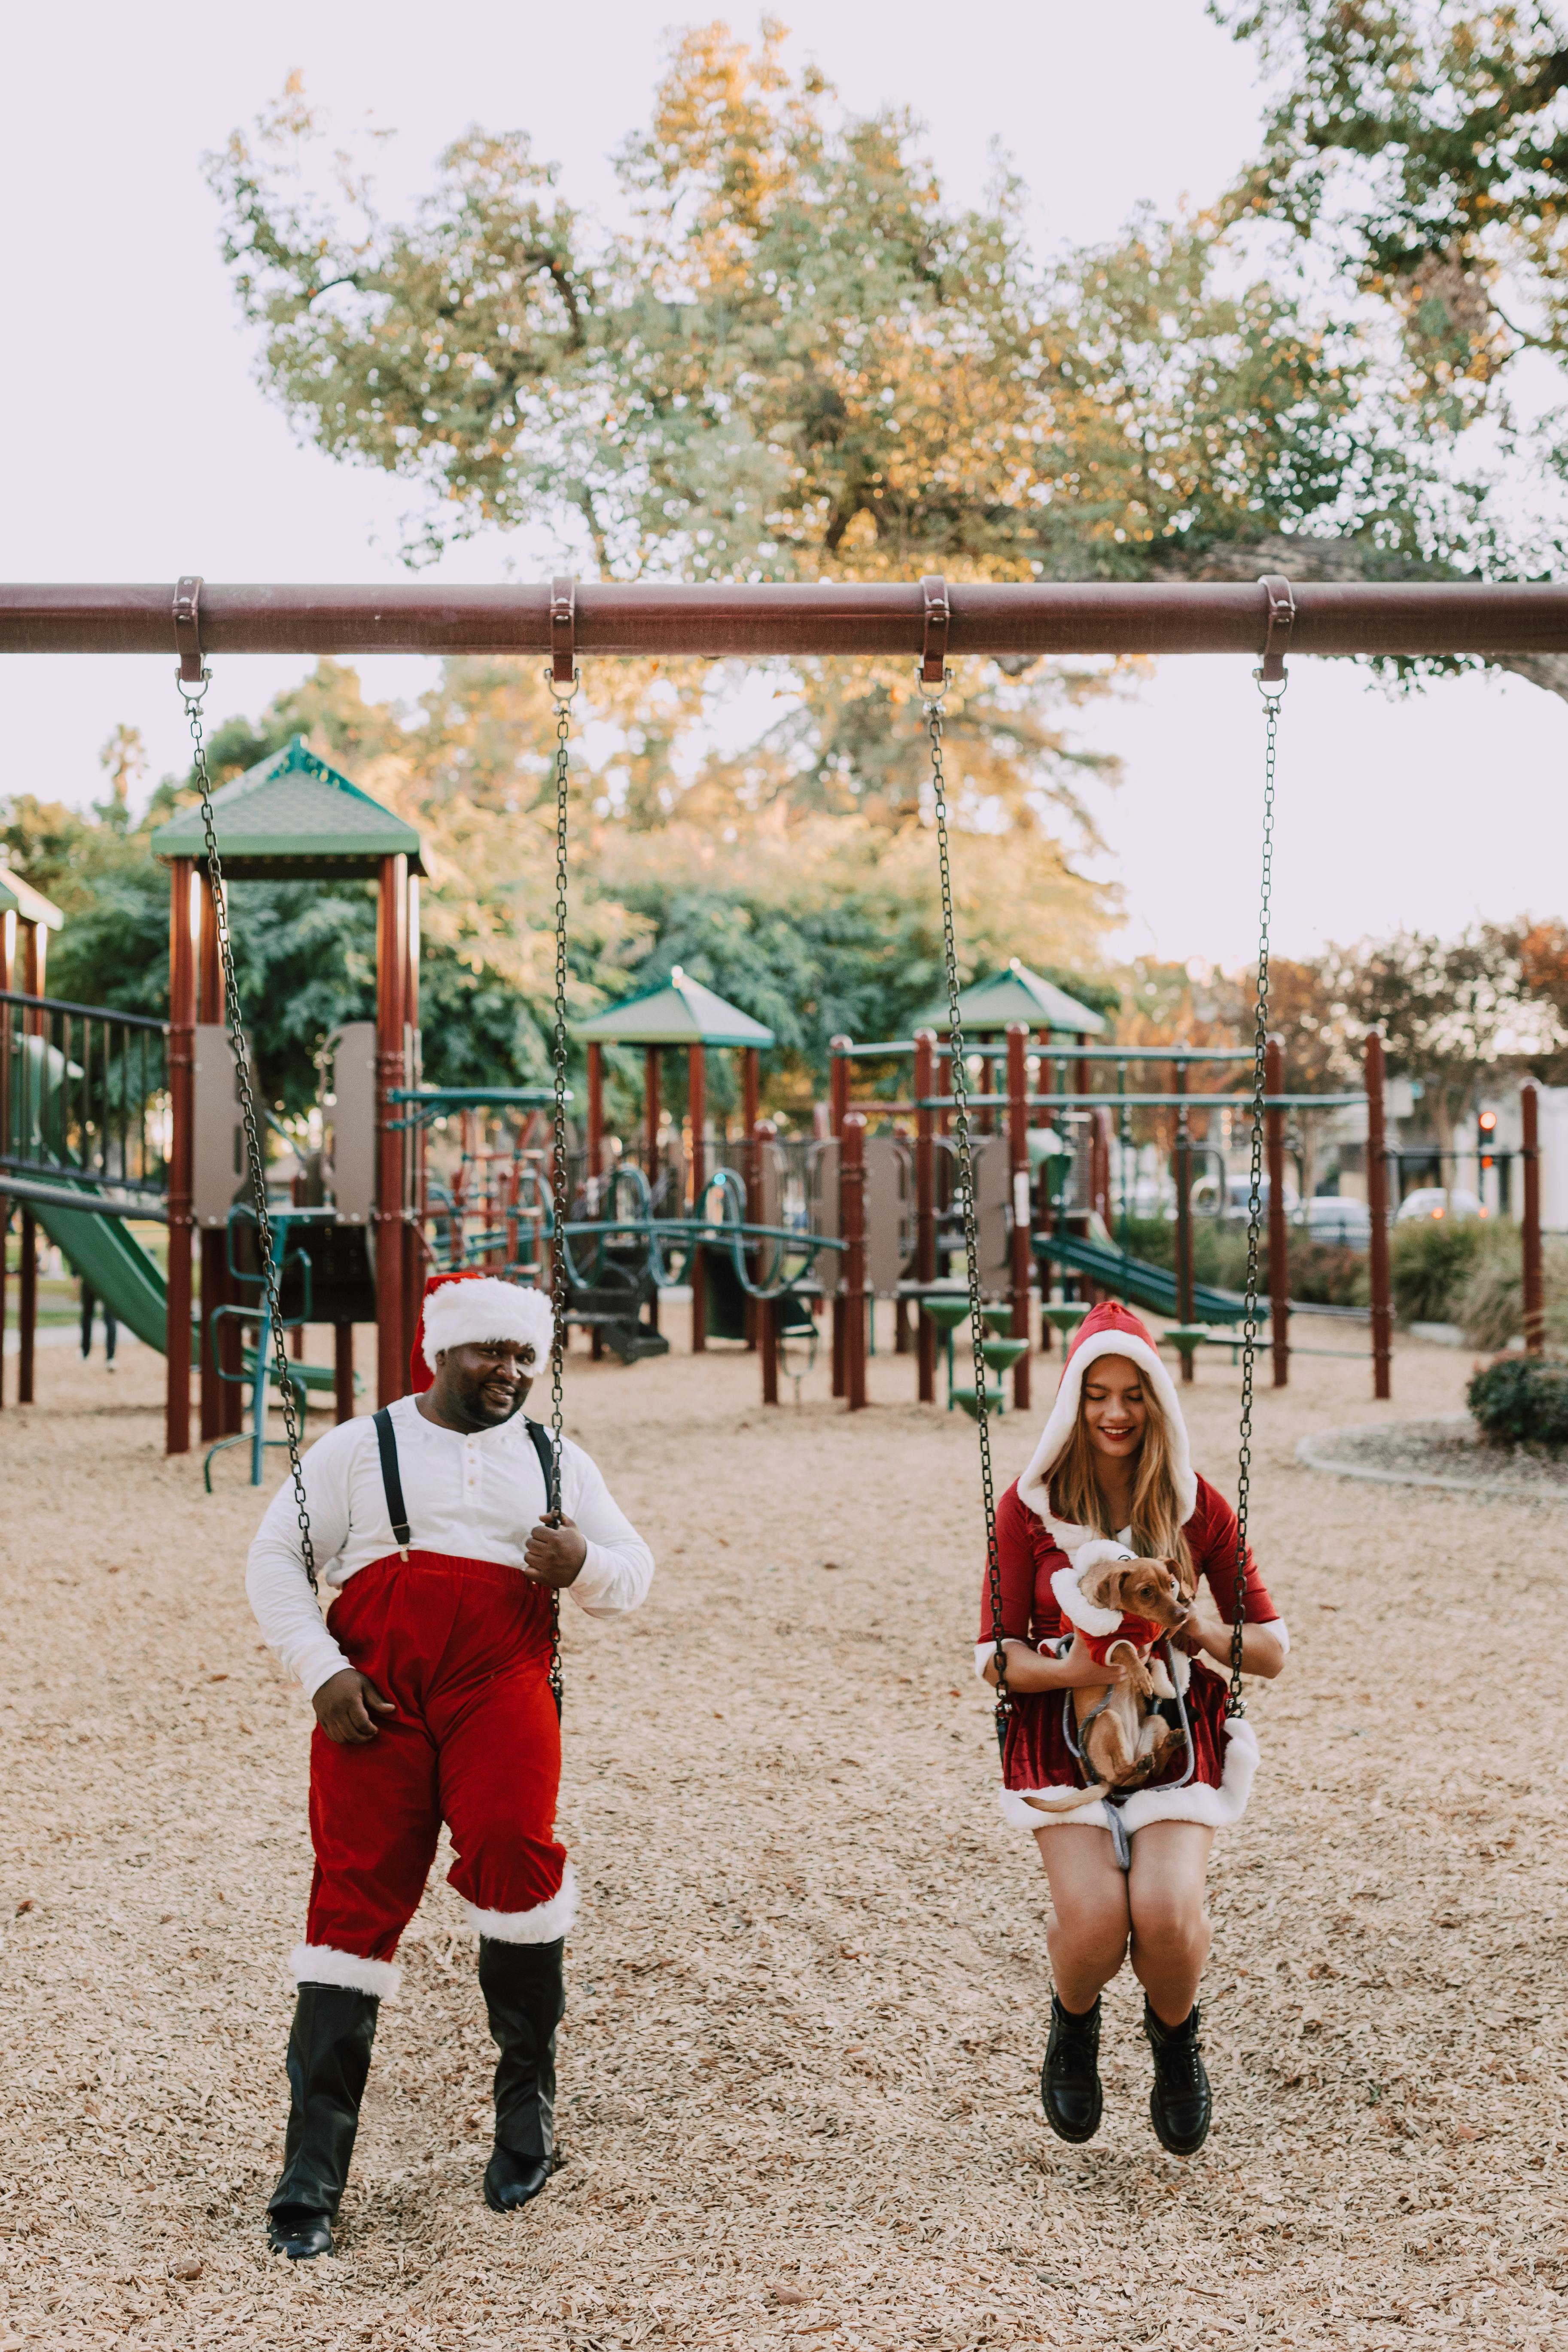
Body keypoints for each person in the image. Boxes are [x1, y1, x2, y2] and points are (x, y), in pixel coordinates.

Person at [246, 1271, 654, 2259]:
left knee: (517, 1856)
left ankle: (526, 2114)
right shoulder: (357, 1446)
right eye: (490, 1351)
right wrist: (321, 1670)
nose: (508, 1371)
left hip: (498, 1684)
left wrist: (584, 1567)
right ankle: (311, 2170)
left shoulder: (554, 1460)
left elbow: (632, 1574)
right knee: (353, 1900)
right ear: (441, 1350)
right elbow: (273, 1561)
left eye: (523, 1355)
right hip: (376, 1694)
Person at [976, 1300, 1287, 2155]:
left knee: (1163, 1907)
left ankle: (1173, 2036)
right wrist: (1077, 1666)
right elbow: (994, 1656)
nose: (1115, 1412)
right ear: (1073, 1399)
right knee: (1091, 1920)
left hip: (1172, 1729)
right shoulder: (1028, 1507)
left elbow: (1267, 1649)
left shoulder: (1195, 1505)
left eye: (1133, 1394)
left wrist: (1188, 1628)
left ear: (1158, 1401)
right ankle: (1073, 2025)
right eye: (1097, 1393)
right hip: (1060, 1729)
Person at [79, 1279, 117, 1371]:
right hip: (108, 1278)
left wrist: (75, 1273)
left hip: (92, 1276)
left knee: (88, 1315)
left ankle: (85, 1352)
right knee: (110, 1318)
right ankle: (110, 1358)